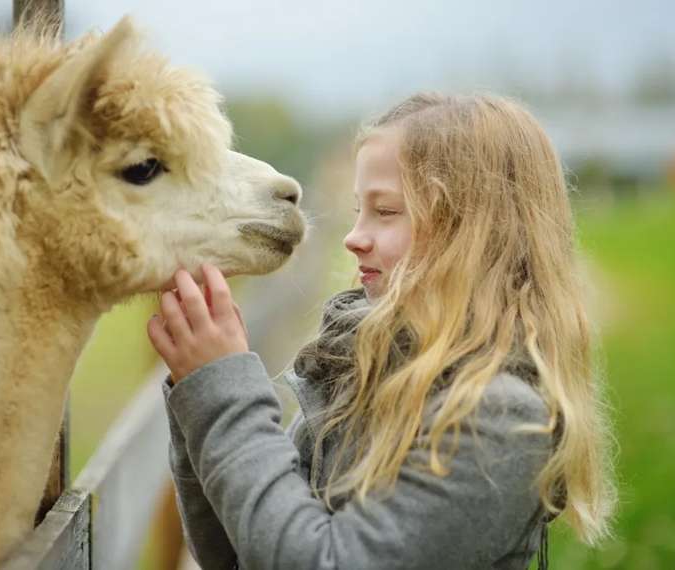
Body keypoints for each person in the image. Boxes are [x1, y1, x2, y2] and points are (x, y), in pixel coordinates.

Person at [147, 92, 616, 570]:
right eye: (358, 211)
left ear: (474, 233)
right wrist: (200, 384)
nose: (353, 238)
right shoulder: (360, 372)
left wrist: (225, 393)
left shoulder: (496, 418)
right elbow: (233, 550)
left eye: (386, 211)